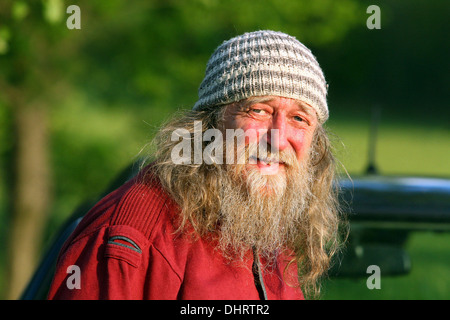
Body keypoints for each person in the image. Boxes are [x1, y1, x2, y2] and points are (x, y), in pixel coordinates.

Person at [48, 30, 345, 300]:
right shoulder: (131, 235)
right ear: (209, 125)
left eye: (299, 119)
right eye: (258, 110)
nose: (278, 140)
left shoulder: (265, 227)